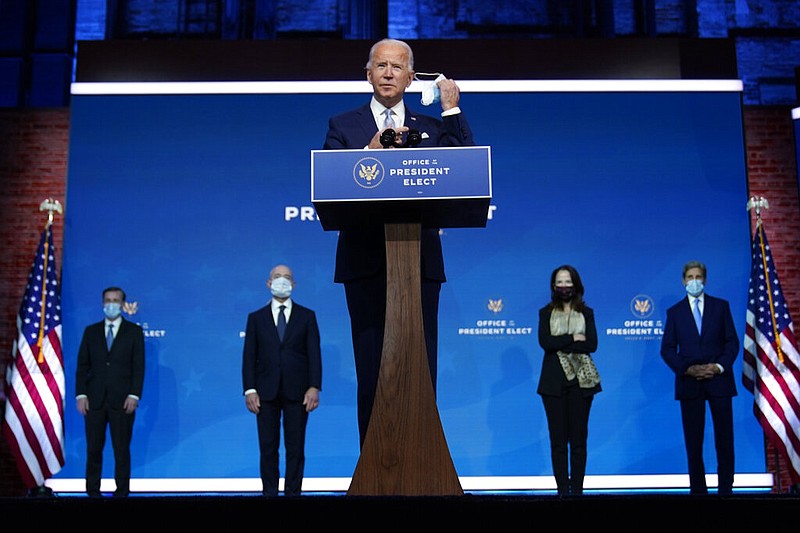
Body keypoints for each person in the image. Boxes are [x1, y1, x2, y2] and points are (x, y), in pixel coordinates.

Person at [323, 38, 475, 447]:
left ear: (412, 78)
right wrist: (367, 154)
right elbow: (330, 187)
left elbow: (462, 169)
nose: (388, 73)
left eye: (397, 67)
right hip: (365, 263)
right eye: (381, 66)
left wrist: (451, 108)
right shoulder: (343, 125)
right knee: (373, 371)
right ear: (368, 74)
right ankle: (374, 473)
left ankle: (422, 468)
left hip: (419, 263)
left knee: (421, 371)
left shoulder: (430, 127)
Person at [242, 264, 322, 497]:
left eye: (287, 277)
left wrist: (314, 386)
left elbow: (314, 354)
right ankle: (269, 494)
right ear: (268, 283)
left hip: (298, 392)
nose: (282, 281)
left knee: (295, 448)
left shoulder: (307, 316)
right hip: (265, 392)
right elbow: (249, 356)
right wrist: (249, 390)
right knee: (268, 448)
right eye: (277, 277)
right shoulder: (255, 318)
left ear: (294, 285)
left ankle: (293, 495)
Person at [660, 260, 738, 495]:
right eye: (690, 277)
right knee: (694, 442)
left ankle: (726, 490)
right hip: (690, 383)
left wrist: (718, 367)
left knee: (724, 439)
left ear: (705, 279)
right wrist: (688, 369)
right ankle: (698, 493)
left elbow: (732, 342)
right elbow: (667, 349)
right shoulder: (674, 312)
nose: (694, 281)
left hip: (719, 382)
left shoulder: (721, 307)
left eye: (698, 277)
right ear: (683, 281)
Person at [536, 265, 600, 497]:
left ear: (576, 285)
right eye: (560, 282)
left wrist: (561, 341)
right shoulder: (545, 312)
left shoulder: (587, 312)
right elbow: (546, 343)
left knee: (579, 440)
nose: (564, 286)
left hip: (582, 384)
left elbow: (591, 344)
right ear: (554, 286)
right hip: (553, 384)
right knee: (558, 441)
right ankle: (562, 491)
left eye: (568, 282)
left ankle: (578, 491)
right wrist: (573, 337)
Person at [75, 286, 145, 498]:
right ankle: (93, 492)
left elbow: (138, 366)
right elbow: (82, 366)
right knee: (94, 449)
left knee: (121, 450)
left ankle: (121, 493)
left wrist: (134, 394)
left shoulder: (134, 332)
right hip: (94, 400)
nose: (111, 304)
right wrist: (81, 395)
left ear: (123, 305)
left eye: (115, 300)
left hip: (123, 401)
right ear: (102, 303)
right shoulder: (91, 331)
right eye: (107, 300)